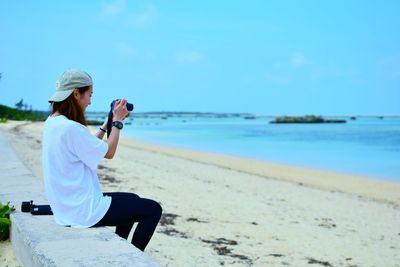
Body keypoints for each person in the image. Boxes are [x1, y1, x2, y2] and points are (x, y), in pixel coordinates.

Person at [42, 69, 162, 251]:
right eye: (89, 95)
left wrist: (107, 124)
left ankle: (119, 251)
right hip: (83, 211)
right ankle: (134, 259)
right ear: (76, 94)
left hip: (68, 207)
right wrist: (118, 122)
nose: (90, 101)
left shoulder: (53, 122)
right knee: (153, 209)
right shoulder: (71, 128)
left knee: (133, 199)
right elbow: (109, 152)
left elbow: (88, 148)